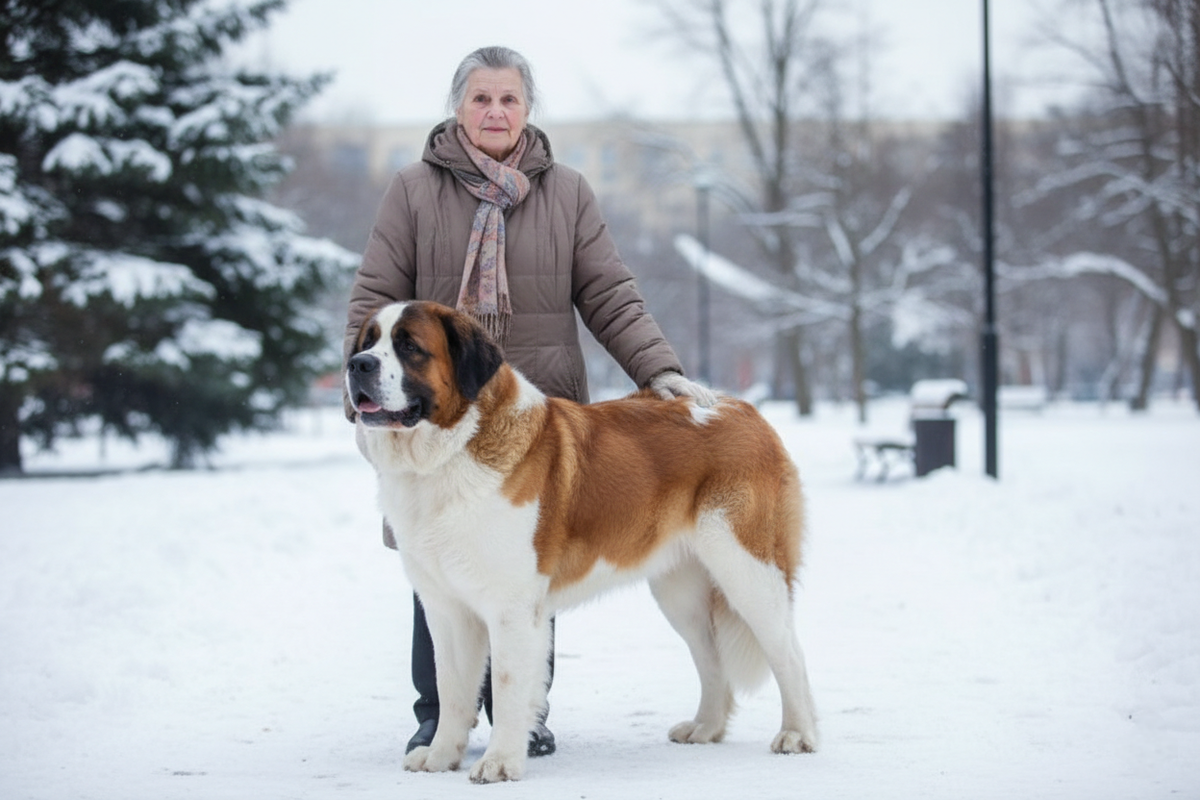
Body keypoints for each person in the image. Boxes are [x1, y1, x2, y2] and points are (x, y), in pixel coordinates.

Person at [342, 45, 716, 760]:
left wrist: (658, 371)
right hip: (437, 416)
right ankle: (439, 716)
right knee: (436, 563)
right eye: (481, 98)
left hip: (530, 418)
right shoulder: (414, 189)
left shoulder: (567, 191)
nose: (495, 111)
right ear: (458, 109)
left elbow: (609, 294)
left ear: (527, 109)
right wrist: (365, 400)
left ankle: (523, 717)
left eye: (508, 99)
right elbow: (373, 297)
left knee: (524, 573)